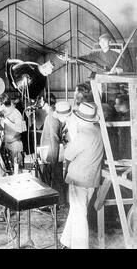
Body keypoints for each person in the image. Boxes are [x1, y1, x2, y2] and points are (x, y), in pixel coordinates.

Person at [60, 102, 104, 249]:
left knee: (79, 216)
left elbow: (68, 154)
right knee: (76, 211)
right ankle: (66, 242)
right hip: (91, 179)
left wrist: (68, 144)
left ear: (80, 119)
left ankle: (79, 246)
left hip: (79, 179)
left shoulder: (84, 134)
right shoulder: (97, 131)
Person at [39, 93, 66, 205]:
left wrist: (52, 159)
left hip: (52, 154)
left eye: (41, 101)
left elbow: (54, 138)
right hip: (51, 153)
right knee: (54, 179)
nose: (40, 103)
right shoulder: (51, 115)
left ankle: (59, 203)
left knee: (55, 179)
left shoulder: (52, 116)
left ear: (45, 102)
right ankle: (56, 203)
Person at [0, 93, 25, 174]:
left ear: (3, 104)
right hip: (7, 145)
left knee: (18, 172)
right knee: (10, 171)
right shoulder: (5, 112)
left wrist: (7, 121)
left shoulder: (16, 113)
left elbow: (20, 129)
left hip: (15, 146)